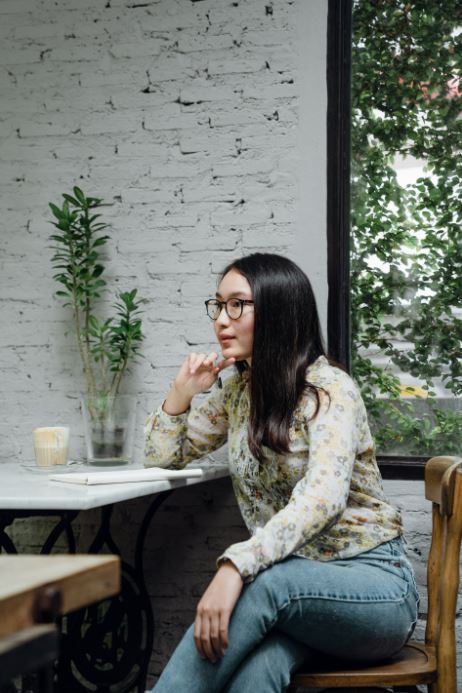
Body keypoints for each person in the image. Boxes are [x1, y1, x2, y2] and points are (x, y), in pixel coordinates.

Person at [144, 253, 419, 693]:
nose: (222, 320)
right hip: (297, 600)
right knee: (257, 673)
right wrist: (181, 394)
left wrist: (235, 566)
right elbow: (161, 457)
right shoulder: (238, 393)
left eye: (238, 304)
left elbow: (322, 499)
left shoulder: (330, 391)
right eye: (218, 305)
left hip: (376, 590)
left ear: (278, 311)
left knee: (266, 583)